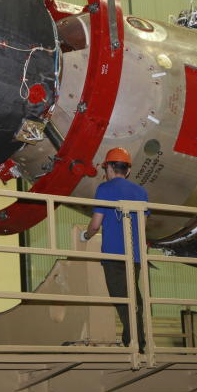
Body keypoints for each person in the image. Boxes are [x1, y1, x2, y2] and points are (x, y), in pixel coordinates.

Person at [81, 147, 149, 350]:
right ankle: (134, 341)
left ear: (109, 168)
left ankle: (137, 344)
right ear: (127, 170)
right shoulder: (141, 192)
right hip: (134, 255)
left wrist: (85, 236)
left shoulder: (105, 189)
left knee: (122, 299)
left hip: (113, 254)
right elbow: (142, 226)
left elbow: (95, 225)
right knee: (133, 298)